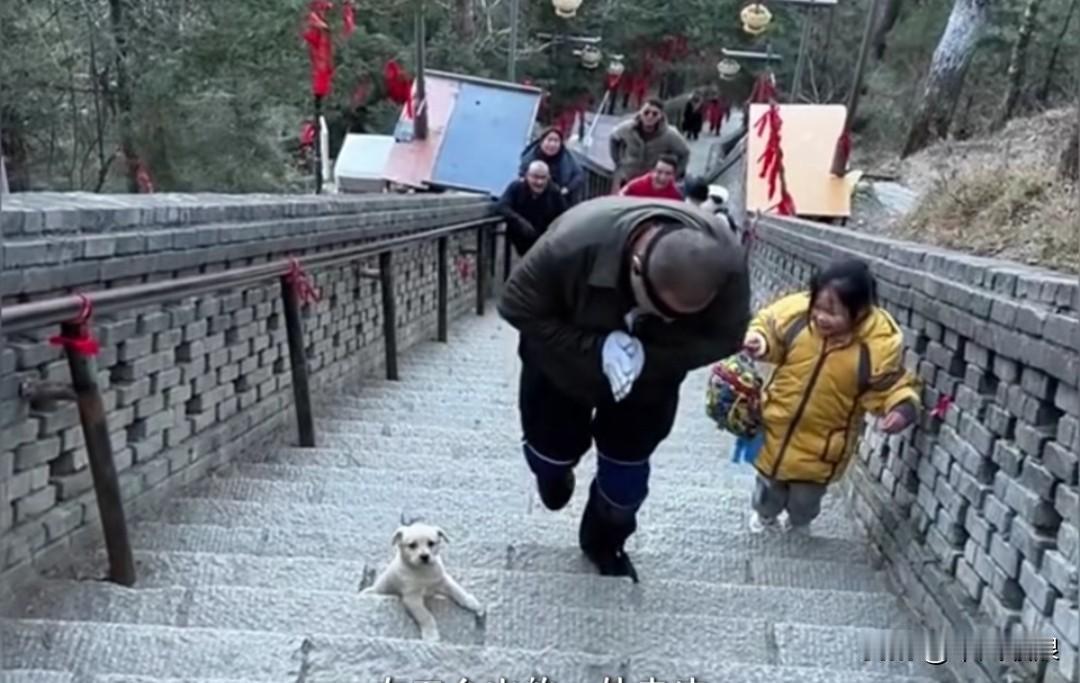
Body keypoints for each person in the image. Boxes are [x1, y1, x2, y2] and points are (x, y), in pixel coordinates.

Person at [497, 196, 751, 581]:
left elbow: (727, 337)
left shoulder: (724, 263)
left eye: (676, 317)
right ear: (635, 267)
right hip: (559, 369)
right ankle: (554, 474)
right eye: (657, 308)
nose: (663, 319)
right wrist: (596, 348)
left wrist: (651, 355)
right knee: (550, 457)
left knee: (625, 482)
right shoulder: (571, 243)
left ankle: (604, 541)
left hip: (648, 385)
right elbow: (516, 305)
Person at [741, 258, 920, 534]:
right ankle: (765, 517)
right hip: (775, 425)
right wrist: (760, 341)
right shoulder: (798, 320)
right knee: (767, 488)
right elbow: (770, 328)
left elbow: (889, 385)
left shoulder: (873, 348)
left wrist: (901, 408)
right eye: (818, 307)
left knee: (806, 499)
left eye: (833, 312)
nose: (821, 317)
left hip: (823, 443)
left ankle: (799, 523)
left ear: (859, 312)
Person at [609, 99, 690, 190]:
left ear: (661, 116)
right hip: (628, 178)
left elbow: (684, 153)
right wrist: (618, 162)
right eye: (646, 112)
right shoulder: (627, 129)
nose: (650, 116)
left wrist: (674, 174)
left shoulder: (669, 135)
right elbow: (614, 137)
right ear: (640, 112)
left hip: (653, 183)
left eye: (655, 114)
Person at [495, 160, 569, 256]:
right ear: (527, 175)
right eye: (535, 177)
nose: (539, 182)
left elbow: (564, 216)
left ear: (548, 177)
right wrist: (520, 222)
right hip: (518, 240)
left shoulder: (554, 192)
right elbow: (501, 206)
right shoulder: (516, 187)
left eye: (543, 178)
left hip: (545, 243)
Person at [519, 128, 585, 204]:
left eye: (556, 141)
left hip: (560, 198)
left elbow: (579, 175)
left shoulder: (567, 157)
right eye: (549, 140)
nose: (552, 144)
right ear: (542, 141)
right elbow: (522, 175)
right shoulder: (530, 157)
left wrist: (567, 189)